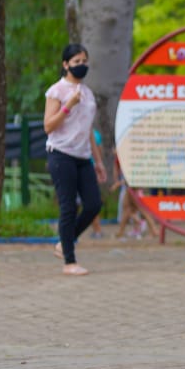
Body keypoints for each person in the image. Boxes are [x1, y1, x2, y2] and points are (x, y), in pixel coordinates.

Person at [43, 43, 106, 276]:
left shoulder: (87, 94)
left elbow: (87, 130)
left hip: (83, 157)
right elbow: (48, 125)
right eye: (77, 62)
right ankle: (69, 262)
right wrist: (68, 106)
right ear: (65, 64)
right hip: (61, 154)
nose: (81, 66)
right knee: (68, 207)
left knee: (93, 205)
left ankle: (64, 242)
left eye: (84, 61)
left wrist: (98, 162)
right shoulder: (56, 91)